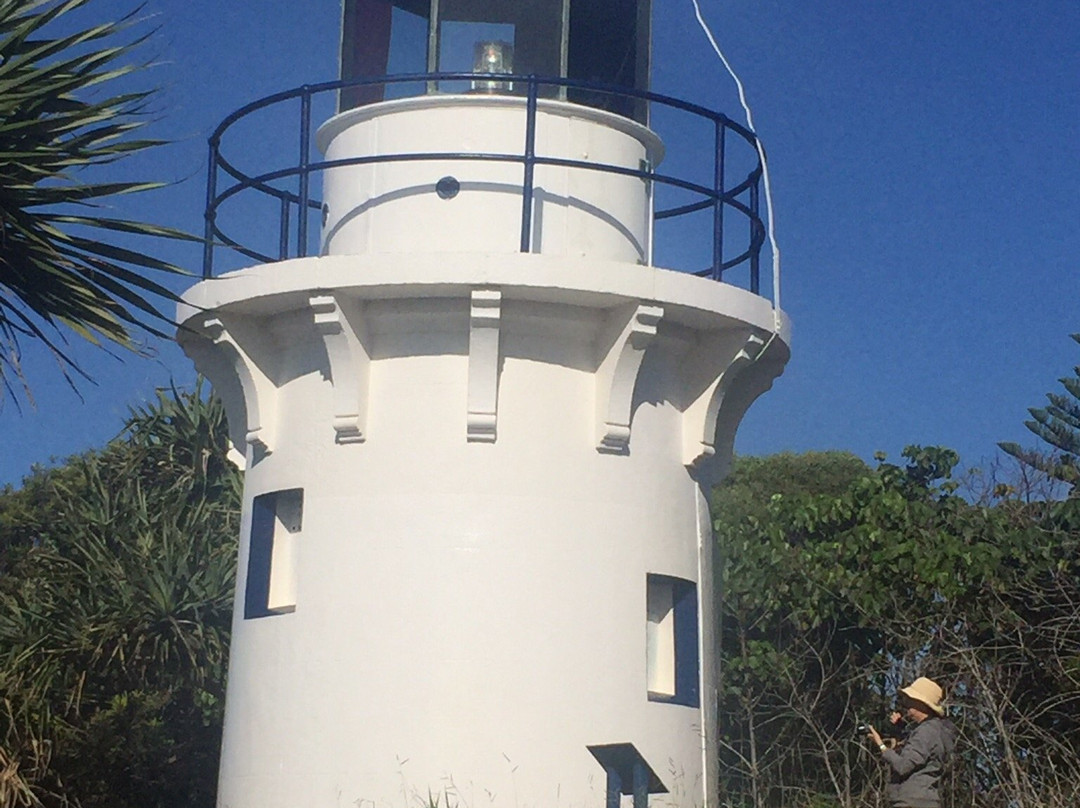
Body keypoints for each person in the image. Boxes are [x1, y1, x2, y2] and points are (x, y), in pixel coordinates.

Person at [867, 676, 956, 808]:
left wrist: (881, 745)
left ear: (921, 703)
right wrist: (898, 731)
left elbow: (903, 766)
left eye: (910, 699)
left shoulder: (925, 733)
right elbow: (916, 755)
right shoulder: (934, 730)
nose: (906, 703)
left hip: (912, 802)